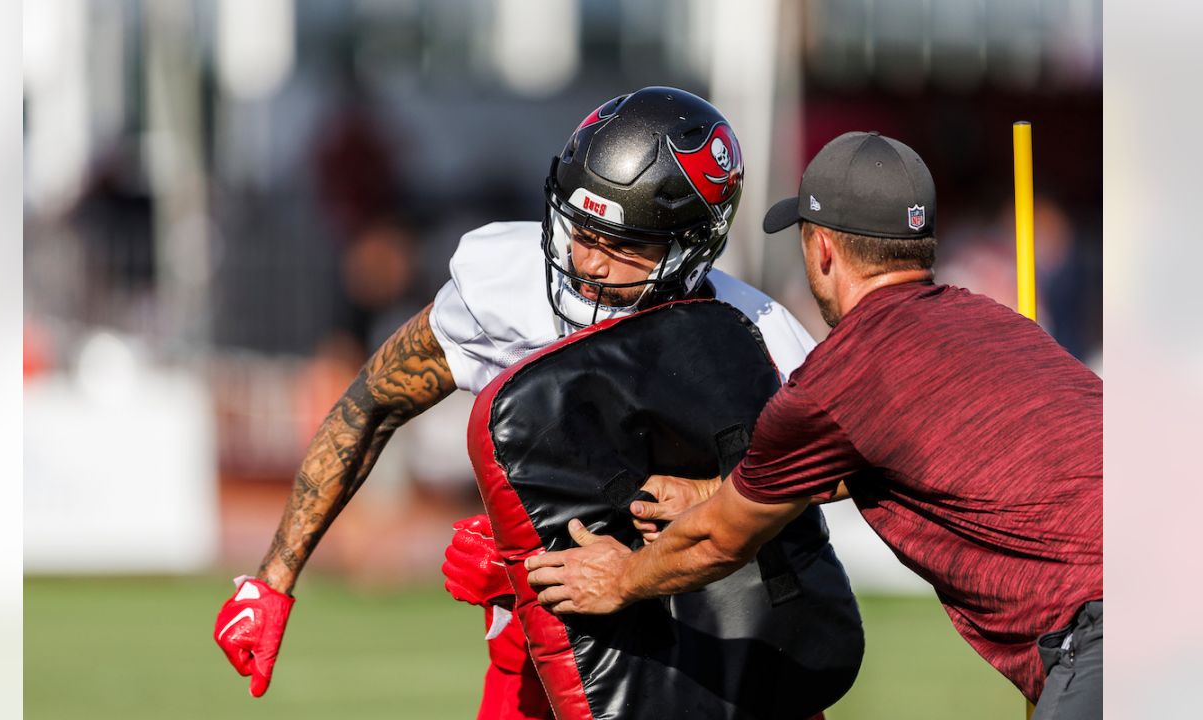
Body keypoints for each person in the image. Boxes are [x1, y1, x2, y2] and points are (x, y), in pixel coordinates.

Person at [213, 87, 857, 718]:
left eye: (624, 244)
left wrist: (716, 495)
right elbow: (371, 405)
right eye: (582, 230)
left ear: (693, 245)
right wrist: (273, 580)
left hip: (712, 637)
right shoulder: (508, 283)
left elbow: (841, 467)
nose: (590, 263)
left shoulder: (751, 334)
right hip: (547, 644)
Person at [525, 131, 1103, 720]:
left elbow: (719, 541)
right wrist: (711, 493)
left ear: (821, 248)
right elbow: (889, 463)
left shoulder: (839, 378)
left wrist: (621, 577)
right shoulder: (998, 324)